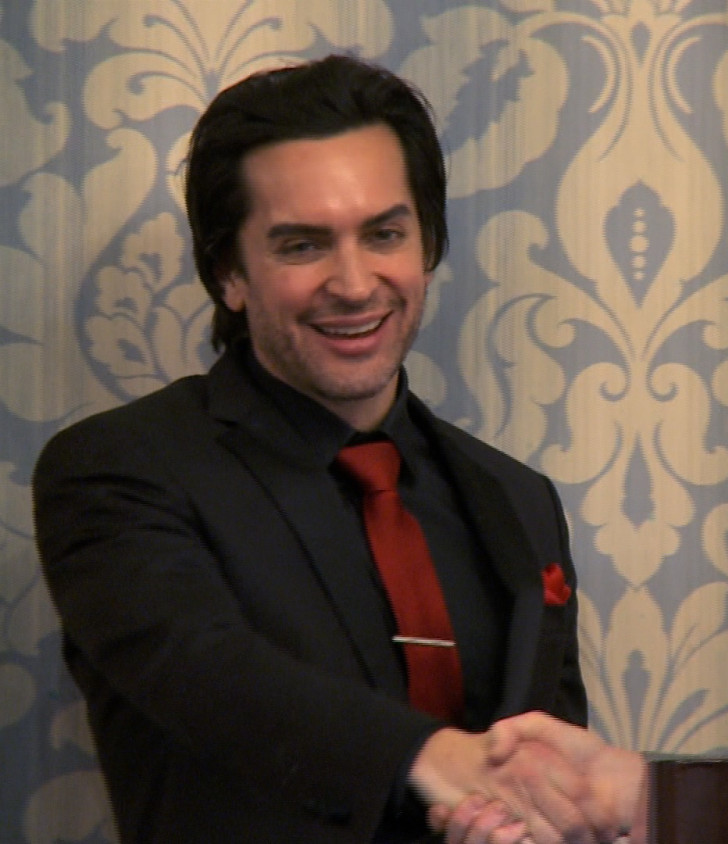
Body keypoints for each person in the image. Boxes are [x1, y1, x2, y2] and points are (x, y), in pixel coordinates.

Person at [32, 54, 587, 842]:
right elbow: (204, 672)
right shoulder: (116, 470)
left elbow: (546, 771)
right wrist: (434, 762)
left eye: (384, 233)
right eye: (302, 246)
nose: (356, 283)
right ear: (229, 271)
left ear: (426, 243)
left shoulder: (518, 499)